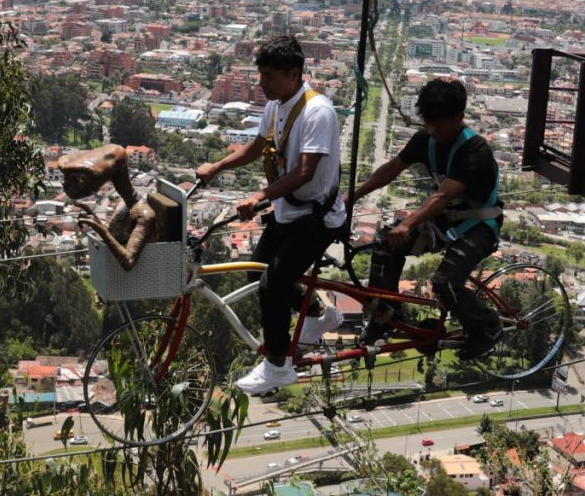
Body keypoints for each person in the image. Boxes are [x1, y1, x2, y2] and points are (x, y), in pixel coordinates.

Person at [196, 35, 346, 394]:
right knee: (254, 270)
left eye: (269, 76)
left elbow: (305, 171)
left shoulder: (317, 111)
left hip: (317, 218)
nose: (261, 84)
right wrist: (217, 166)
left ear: (294, 74)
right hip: (290, 210)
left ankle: (278, 366)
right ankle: (317, 316)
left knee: (273, 285)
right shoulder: (277, 105)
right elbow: (258, 146)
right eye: (260, 75)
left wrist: (260, 195)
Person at [348, 78, 503, 361]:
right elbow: (392, 168)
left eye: (440, 125)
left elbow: (442, 196)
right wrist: (353, 196)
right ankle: (385, 315)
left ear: (459, 118)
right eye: (429, 123)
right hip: (446, 219)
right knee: (385, 245)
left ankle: (487, 328)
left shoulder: (475, 151)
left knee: (445, 282)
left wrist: (408, 224)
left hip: (480, 225)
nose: (433, 131)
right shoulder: (426, 139)